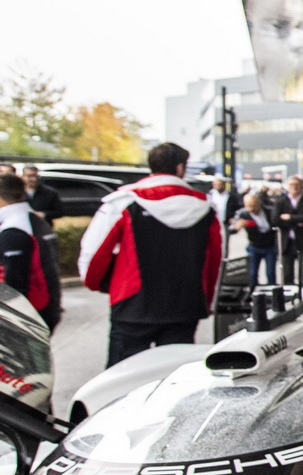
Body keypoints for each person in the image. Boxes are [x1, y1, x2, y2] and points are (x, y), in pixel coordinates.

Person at [80, 141, 221, 366]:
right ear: (180, 167)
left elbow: (94, 251)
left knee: (121, 381)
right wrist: (206, 299)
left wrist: (97, 283)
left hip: (132, 302)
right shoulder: (205, 208)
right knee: (173, 380)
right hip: (185, 302)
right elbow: (213, 260)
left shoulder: (123, 202)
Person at [0, 174, 61, 331]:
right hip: (47, 305)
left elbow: (14, 282)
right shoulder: (33, 219)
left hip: (27, 314)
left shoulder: (14, 229)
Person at [275, 174, 303, 286]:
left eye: (297, 185)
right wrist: (299, 220)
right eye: (291, 185)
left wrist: (290, 217)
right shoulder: (281, 201)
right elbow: (275, 220)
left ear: (301, 186)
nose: (294, 187)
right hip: (287, 241)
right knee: (287, 273)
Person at [233, 192, 279, 285]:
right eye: (248, 206)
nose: (252, 209)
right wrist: (236, 227)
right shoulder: (243, 213)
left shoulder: (269, 211)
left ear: (259, 203)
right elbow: (232, 228)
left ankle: (272, 292)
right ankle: (253, 293)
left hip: (269, 246)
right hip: (254, 246)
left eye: (254, 206)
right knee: (252, 273)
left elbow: (278, 224)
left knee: (270, 273)